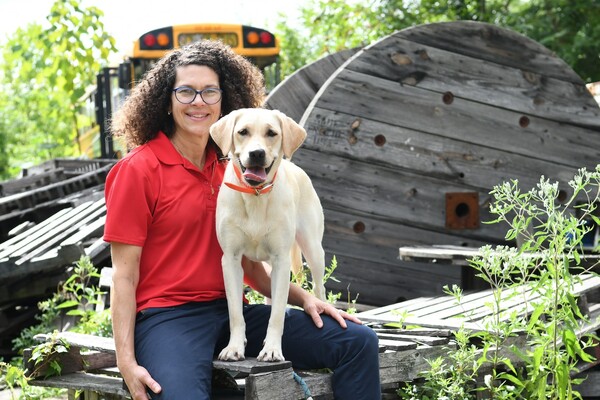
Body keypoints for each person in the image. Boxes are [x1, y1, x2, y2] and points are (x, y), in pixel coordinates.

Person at [103, 39, 381, 400]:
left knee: (357, 340)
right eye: (185, 92)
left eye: (209, 92)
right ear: (166, 100)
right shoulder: (137, 170)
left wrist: (305, 298)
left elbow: (249, 264)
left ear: (225, 99)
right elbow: (123, 276)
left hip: (231, 312)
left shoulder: (237, 168)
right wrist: (126, 359)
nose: (198, 102)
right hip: (168, 319)